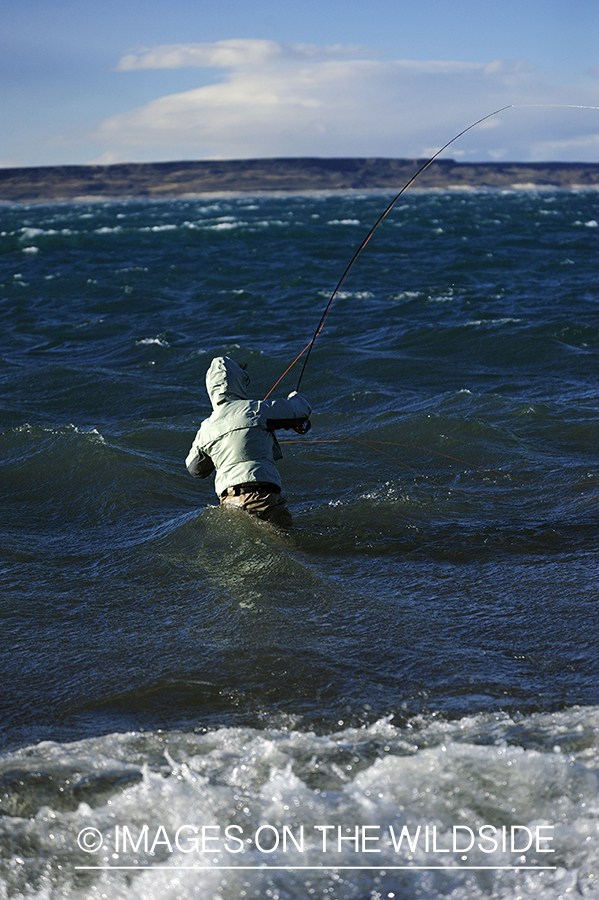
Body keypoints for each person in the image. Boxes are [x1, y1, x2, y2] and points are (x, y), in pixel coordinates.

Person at [186, 356, 311, 528]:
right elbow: (299, 411)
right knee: (287, 547)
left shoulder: (206, 428)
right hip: (263, 496)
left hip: (229, 504)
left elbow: (195, 470)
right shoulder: (255, 409)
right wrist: (297, 397)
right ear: (239, 382)